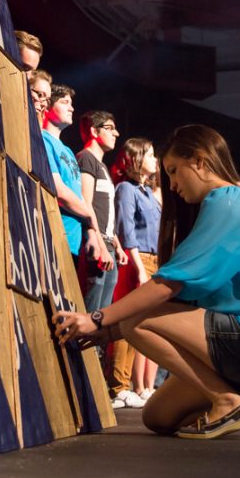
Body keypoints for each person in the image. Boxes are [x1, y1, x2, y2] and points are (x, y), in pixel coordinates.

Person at [53, 124, 240, 440]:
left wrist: (96, 318)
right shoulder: (221, 206)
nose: (171, 185)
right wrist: (108, 333)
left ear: (199, 161)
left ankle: (230, 401)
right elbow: (183, 300)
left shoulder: (228, 201)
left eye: (173, 171)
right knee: (157, 416)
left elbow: (167, 286)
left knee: (136, 321)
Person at [109, 138, 161, 408]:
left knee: (139, 324)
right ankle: (118, 386)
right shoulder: (126, 189)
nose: (155, 160)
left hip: (152, 260)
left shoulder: (147, 192)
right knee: (126, 321)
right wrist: (139, 268)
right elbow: (125, 229)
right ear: (137, 159)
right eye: (151, 154)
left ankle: (127, 385)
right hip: (136, 259)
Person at [42, 85, 101, 268]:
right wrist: (91, 218)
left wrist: (91, 232)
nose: (71, 108)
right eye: (64, 102)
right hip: (54, 237)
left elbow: (79, 195)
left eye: (72, 103)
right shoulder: (43, 139)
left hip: (73, 245)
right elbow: (59, 191)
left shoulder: (67, 150)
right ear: (48, 106)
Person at [76, 111, 128, 321]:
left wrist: (116, 244)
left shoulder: (102, 166)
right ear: (93, 131)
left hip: (107, 243)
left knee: (104, 312)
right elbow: (86, 204)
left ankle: (96, 352)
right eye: (109, 128)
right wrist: (97, 240)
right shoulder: (86, 159)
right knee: (93, 303)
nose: (115, 133)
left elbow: (104, 208)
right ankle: (85, 350)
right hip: (97, 244)